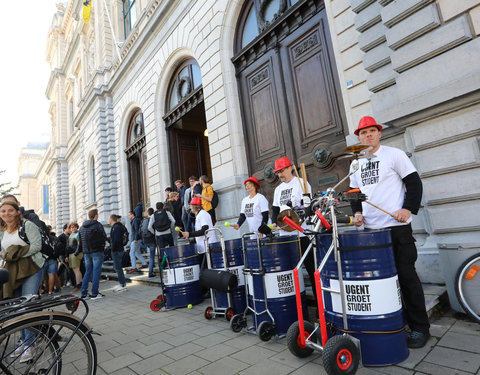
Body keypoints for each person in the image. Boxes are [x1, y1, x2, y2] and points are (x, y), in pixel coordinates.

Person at [349, 115, 430, 348]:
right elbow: (355, 193)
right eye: (363, 133)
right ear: (359, 137)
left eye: (372, 131)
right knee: (384, 281)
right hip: (372, 232)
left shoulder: (394, 154)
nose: (368, 135)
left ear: (379, 133)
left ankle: (420, 329)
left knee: (407, 278)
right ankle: (398, 322)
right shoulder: (356, 163)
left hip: (397, 229)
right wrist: (357, 213)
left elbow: (414, 183)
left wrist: (407, 209)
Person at [0, 200, 45, 362]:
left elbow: (36, 246)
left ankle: (30, 344)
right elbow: (2, 251)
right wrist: (6, 255)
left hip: (32, 267)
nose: (6, 214)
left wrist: (16, 253)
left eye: (10, 210)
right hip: (12, 271)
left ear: (17, 212)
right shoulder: (1, 230)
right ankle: (23, 342)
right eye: (3, 211)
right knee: (18, 308)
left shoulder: (27, 225)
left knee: (28, 306)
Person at [271, 156, 316, 299]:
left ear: (290, 168)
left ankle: (319, 304)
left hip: (302, 234)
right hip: (285, 236)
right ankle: (294, 302)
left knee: (311, 269)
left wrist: (298, 218)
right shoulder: (278, 189)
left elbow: (309, 207)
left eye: (282, 170)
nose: (280, 174)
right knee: (288, 271)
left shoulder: (302, 184)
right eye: (278, 172)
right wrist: (273, 223)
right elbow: (275, 210)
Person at [76, 209, 107, 299]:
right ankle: (95, 293)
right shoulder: (98, 225)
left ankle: (84, 294)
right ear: (95, 216)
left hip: (86, 253)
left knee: (87, 272)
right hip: (97, 251)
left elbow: (79, 241)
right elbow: (104, 236)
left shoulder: (81, 227)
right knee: (96, 271)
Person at [179, 197, 216, 271]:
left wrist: (189, 234)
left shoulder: (202, 214)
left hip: (207, 245)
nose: (190, 208)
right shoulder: (199, 215)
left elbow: (204, 230)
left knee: (205, 269)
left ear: (196, 207)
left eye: (192, 206)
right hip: (203, 246)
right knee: (203, 269)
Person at [108, 214, 128, 292]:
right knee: (118, 267)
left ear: (112, 219)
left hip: (117, 250)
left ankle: (122, 284)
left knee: (118, 268)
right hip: (118, 249)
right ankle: (122, 284)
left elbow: (116, 240)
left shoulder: (115, 227)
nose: (108, 220)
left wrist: (112, 248)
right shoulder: (117, 227)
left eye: (109, 219)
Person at [127, 204, 148, 274]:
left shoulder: (135, 220)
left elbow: (136, 230)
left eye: (129, 215)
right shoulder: (134, 220)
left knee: (131, 253)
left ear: (132, 215)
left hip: (136, 239)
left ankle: (133, 267)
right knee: (137, 253)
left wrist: (135, 239)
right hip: (136, 239)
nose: (128, 216)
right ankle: (144, 263)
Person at [66, 222, 83, 291]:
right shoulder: (71, 235)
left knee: (76, 270)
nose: (73, 228)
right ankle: (81, 284)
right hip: (71, 254)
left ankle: (78, 285)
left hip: (75, 254)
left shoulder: (77, 234)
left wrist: (76, 253)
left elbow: (80, 245)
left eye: (74, 227)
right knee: (75, 270)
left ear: (77, 227)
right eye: (71, 227)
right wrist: (67, 255)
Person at [141, 208, 157, 278]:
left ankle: (152, 265)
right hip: (151, 239)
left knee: (151, 255)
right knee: (151, 256)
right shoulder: (153, 219)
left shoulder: (145, 220)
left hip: (145, 239)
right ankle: (150, 273)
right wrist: (154, 234)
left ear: (148, 213)